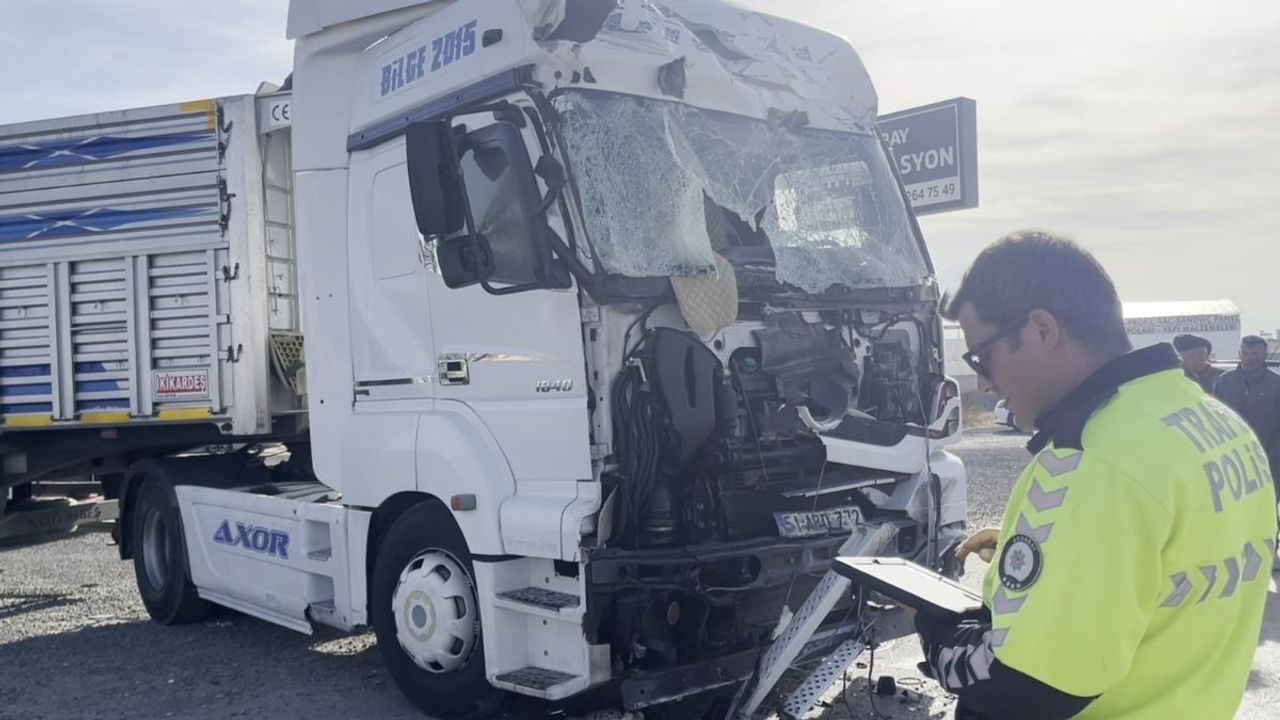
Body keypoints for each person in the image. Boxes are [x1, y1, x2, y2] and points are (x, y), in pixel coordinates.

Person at [917, 231, 1275, 720]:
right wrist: (1054, 544)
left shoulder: (1091, 462)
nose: (983, 381)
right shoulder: (1214, 422)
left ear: (1042, 330)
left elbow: (1029, 687)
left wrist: (937, 633)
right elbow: (1179, 562)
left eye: (982, 356)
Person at [1215, 335, 1280, 486]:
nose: (1249, 358)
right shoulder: (1224, 381)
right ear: (1239, 354)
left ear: (1264, 354)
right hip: (1233, 458)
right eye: (1245, 353)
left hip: (1269, 457)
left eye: (1255, 354)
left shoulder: (1276, 383)